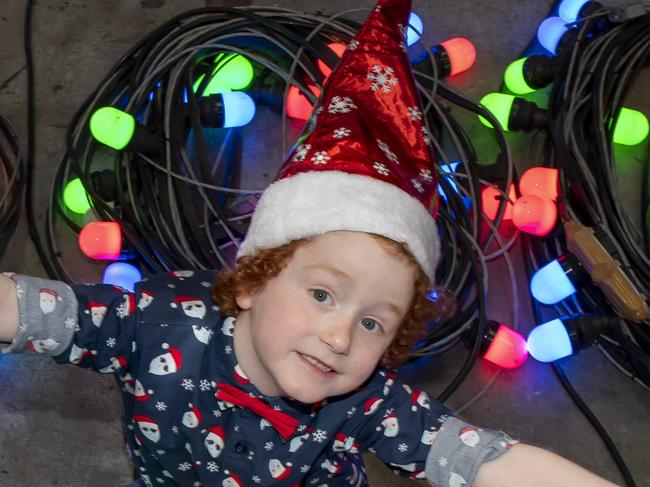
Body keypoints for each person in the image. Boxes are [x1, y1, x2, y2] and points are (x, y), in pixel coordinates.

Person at [0, 0, 618, 485]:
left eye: (375, 323)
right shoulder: (155, 321)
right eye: (323, 292)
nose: (341, 337)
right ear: (253, 279)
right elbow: (35, 310)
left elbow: (489, 463)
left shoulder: (366, 399)